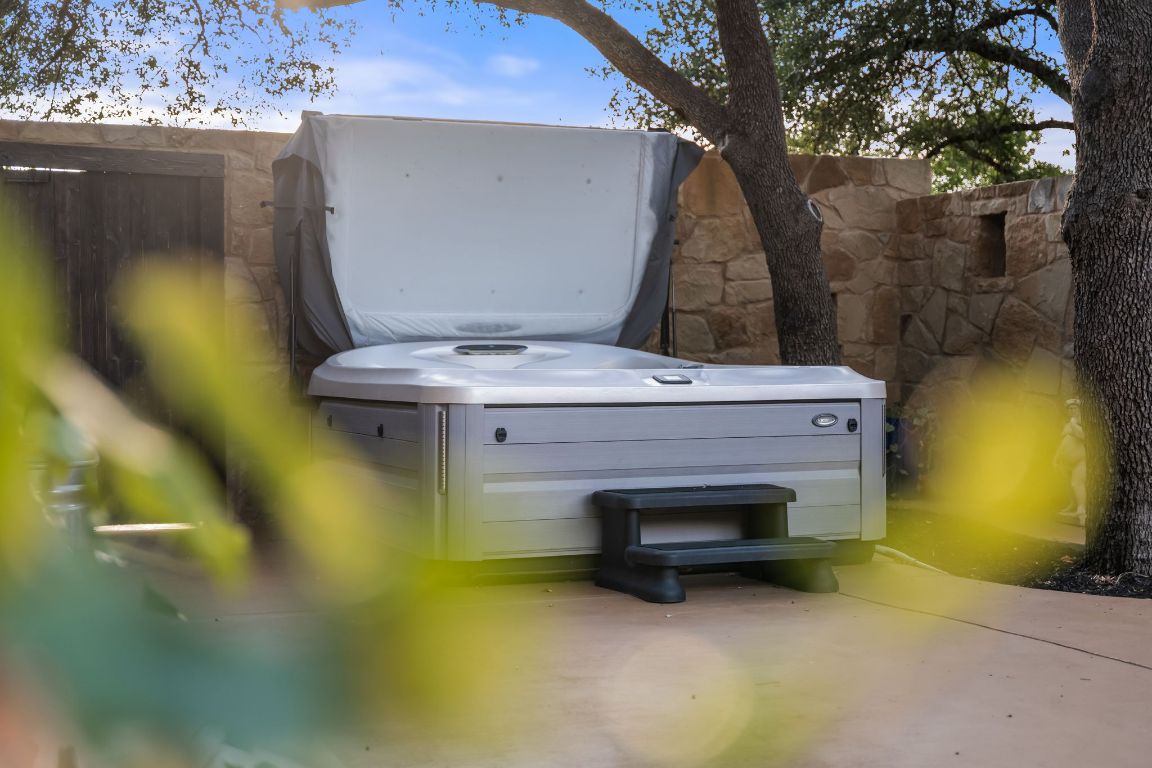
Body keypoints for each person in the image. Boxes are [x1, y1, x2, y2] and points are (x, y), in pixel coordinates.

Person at [1053, 398, 1086, 527]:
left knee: (1076, 483)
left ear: (1079, 409)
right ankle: (1073, 505)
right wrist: (1056, 457)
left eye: (1074, 408)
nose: (1072, 411)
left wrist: (1073, 422)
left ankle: (1081, 508)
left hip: (1080, 460)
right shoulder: (1067, 424)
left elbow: (1082, 436)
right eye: (1070, 409)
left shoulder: (1081, 422)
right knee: (1067, 484)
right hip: (1066, 462)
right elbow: (1063, 442)